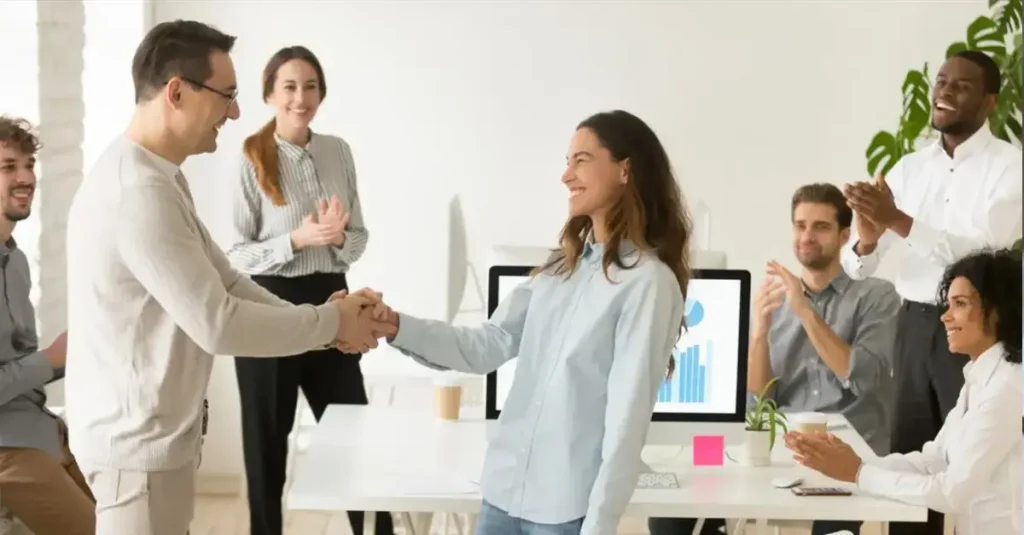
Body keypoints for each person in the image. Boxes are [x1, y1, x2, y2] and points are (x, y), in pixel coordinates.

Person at [63, 21, 393, 535]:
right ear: (177, 92)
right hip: (135, 448)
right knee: (267, 451)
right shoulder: (138, 193)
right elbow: (218, 321)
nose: (236, 113)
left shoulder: (159, 177)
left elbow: (226, 278)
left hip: (153, 441)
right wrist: (331, 323)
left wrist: (333, 321)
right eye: (227, 95)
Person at [353, 110, 689, 535]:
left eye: (580, 160)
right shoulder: (561, 267)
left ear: (625, 169)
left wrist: (598, 527)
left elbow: (626, 423)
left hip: (564, 513)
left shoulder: (648, 285)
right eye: (567, 162)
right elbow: (486, 345)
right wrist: (395, 325)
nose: (566, 176)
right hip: (502, 494)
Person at [648, 183, 900, 535]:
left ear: (845, 235)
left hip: (848, 447)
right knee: (670, 517)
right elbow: (759, 401)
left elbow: (863, 378)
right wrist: (760, 333)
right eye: (800, 225)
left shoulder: (877, 296)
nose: (807, 236)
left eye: (821, 227)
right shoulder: (772, 297)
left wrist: (805, 311)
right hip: (783, 445)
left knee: (834, 528)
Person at [840, 50, 1022, 535]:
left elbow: (983, 252)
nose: (944, 91)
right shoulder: (907, 169)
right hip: (915, 325)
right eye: (941, 81)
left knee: (966, 474)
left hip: (977, 328)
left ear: (990, 101)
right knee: (916, 452)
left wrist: (898, 220)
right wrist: (868, 237)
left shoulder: (1010, 167)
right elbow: (863, 268)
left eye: (960, 85)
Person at [226, 46, 391, 535]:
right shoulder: (250, 157)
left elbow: (358, 237)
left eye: (311, 86)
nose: (302, 97)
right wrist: (296, 239)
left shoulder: (337, 150)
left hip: (333, 302)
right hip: (266, 308)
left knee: (351, 437)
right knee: (266, 447)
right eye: (291, 87)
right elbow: (237, 253)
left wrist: (337, 237)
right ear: (270, 94)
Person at [787, 248, 1022, 535]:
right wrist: (854, 463)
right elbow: (932, 460)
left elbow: (950, 492)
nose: (945, 317)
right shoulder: (978, 378)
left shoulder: (1008, 387)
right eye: (947, 305)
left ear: (997, 310)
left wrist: (858, 473)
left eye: (959, 304)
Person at [0, 116, 95, 534]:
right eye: (7, 167)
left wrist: (81, 353)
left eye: (29, 165)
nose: (25, 177)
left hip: (39, 427)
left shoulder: (15, 262)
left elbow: (21, 361)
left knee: (134, 518)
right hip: (7, 446)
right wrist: (50, 358)